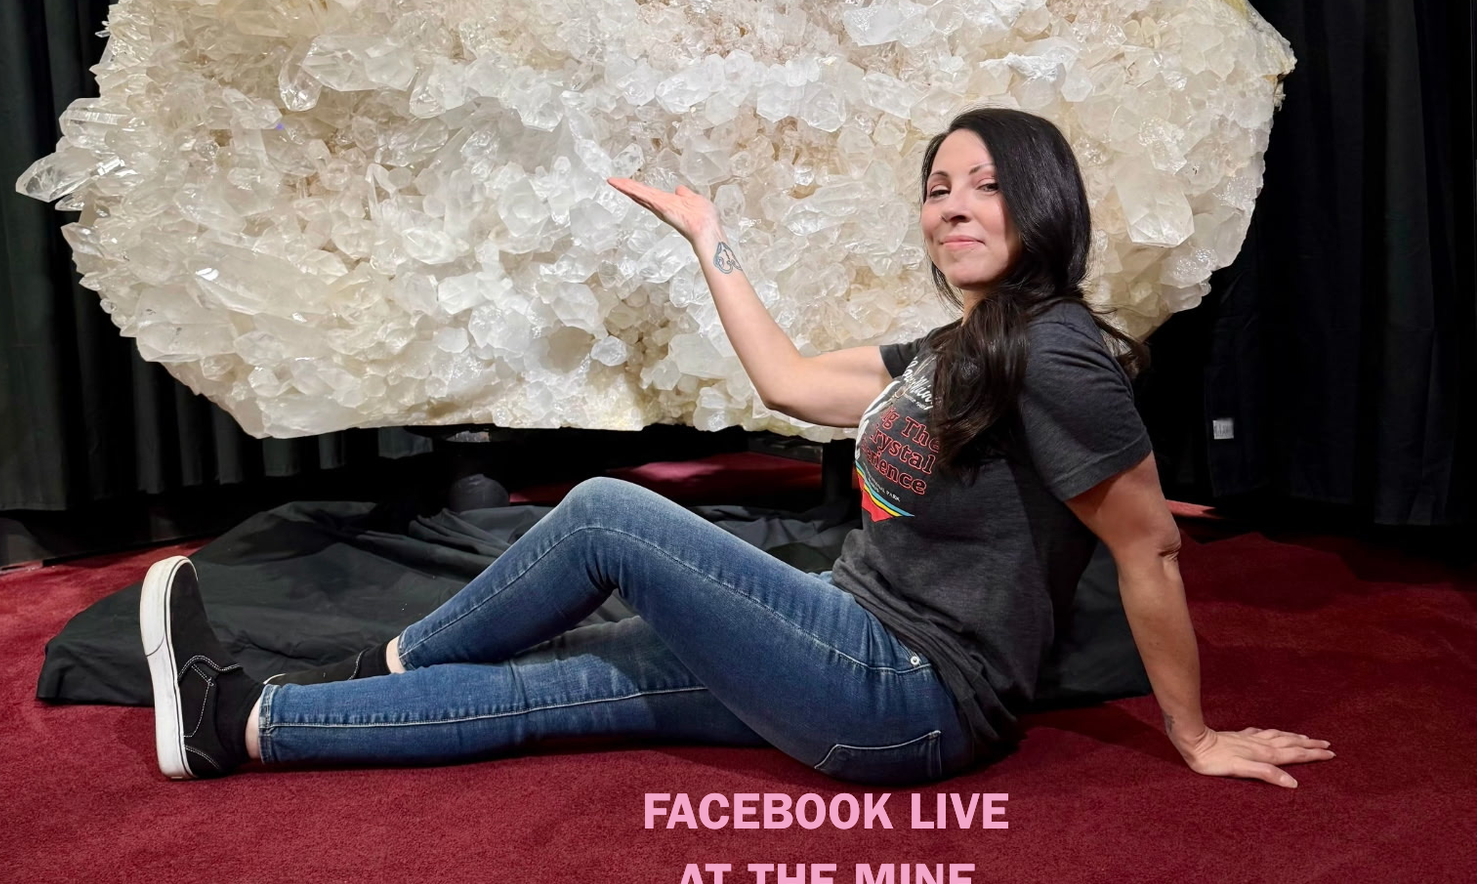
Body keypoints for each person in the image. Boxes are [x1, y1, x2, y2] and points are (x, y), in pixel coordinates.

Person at [140, 109, 1333, 791]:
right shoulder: (964, 342)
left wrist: (1196, 733)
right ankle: (245, 722)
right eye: (936, 186)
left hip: (906, 693)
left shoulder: (1057, 351)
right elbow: (791, 381)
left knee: (611, 513)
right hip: (843, 642)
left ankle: (377, 664)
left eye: (984, 183)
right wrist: (710, 238)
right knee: (565, 681)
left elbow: (1152, 549)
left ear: (1044, 199)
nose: (954, 203)